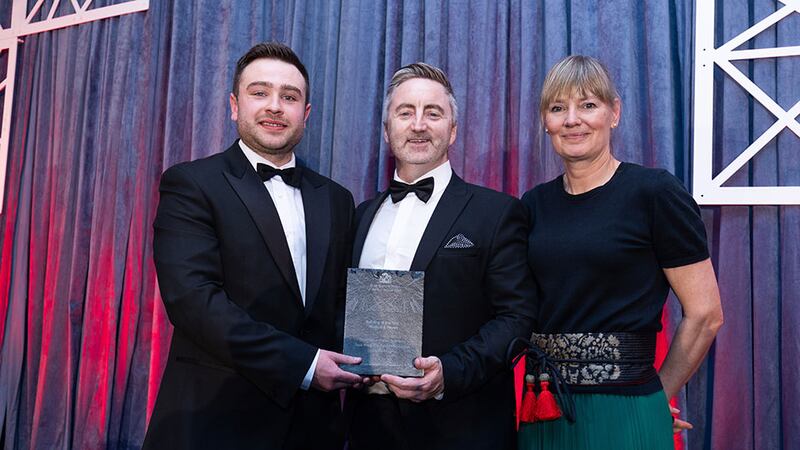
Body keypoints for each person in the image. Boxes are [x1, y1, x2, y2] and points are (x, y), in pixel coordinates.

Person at [142, 42, 363, 450]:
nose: (275, 106)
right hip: (216, 424)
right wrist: (306, 364)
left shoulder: (337, 199)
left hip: (313, 429)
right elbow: (193, 302)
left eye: (290, 97)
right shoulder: (191, 184)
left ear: (306, 113)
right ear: (234, 105)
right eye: (260, 92)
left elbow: (343, 305)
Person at [517, 55, 724, 450]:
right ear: (546, 122)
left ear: (614, 113)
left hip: (627, 411)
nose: (572, 119)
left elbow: (706, 315)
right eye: (558, 108)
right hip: (542, 410)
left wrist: (656, 396)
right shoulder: (532, 205)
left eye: (588, 105)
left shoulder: (655, 193)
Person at [346, 62, 537, 450]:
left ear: (452, 130)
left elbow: (516, 318)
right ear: (387, 130)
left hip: (462, 428)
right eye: (405, 112)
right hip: (367, 428)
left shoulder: (496, 213)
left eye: (432, 113)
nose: (418, 124)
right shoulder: (361, 215)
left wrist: (447, 373)